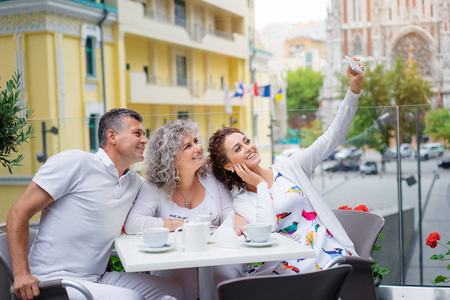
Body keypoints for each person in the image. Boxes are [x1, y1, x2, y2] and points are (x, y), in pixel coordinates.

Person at [207, 59, 364, 275]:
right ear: (228, 165)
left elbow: (332, 137)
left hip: (327, 256)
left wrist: (353, 90)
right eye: (238, 148)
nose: (249, 147)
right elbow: (268, 228)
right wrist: (261, 185)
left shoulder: (290, 167)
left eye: (246, 140)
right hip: (289, 266)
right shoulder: (242, 201)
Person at [6, 108, 183, 300]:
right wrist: (21, 274)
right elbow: (18, 212)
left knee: (173, 291)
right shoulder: (75, 163)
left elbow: (164, 198)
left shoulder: (134, 181)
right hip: (53, 281)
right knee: (131, 299)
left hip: (96, 278)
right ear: (112, 136)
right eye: (137, 133)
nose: (144, 140)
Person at [124, 118, 245, 300]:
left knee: (223, 285)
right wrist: (181, 224)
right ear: (170, 158)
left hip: (217, 255)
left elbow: (230, 215)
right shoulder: (155, 187)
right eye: (187, 146)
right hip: (173, 259)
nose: (198, 148)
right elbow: (134, 223)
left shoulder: (212, 178)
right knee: (180, 288)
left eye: (196, 141)